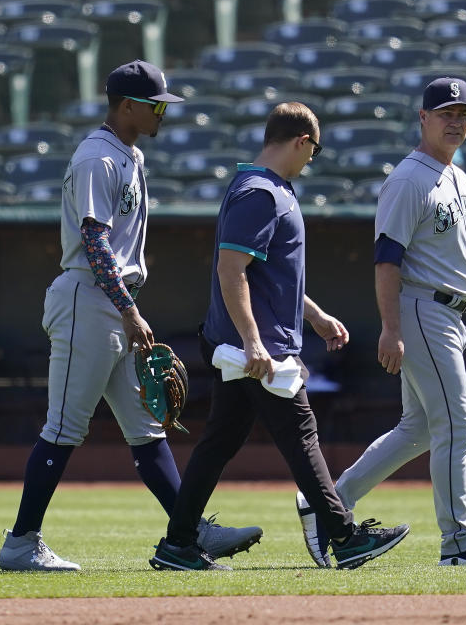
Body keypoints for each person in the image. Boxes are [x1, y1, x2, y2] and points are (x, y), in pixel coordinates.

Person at [0, 60, 262, 572]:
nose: (164, 110)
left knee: (146, 430)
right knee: (64, 427)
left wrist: (125, 308)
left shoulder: (129, 154)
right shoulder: (98, 157)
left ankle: (189, 530)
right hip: (90, 298)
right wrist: (128, 309)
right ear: (126, 106)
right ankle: (21, 541)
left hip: (112, 301)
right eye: (156, 103)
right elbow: (94, 240)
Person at [149, 102, 410, 571]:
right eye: (314, 150)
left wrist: (314, 316)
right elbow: (233, 272)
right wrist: (253, 342)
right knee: (301, 435)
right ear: (302, 141)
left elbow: (271, 276)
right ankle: (345, 537)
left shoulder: (267, 188)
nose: (312, 160)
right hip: (257, 349)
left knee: (221, 442)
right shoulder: (260, 193)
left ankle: (178, 544)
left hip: (254, 343)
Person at [296, 77, 466, 568]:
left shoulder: (458, 178)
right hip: (423, 309)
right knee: (456, 424)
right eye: (446, 112)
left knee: (419, 429)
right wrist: (391, 328)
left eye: (463, 113)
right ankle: (458, 543)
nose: (456, 121)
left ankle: (327, 503)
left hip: (450, 312)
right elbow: (387, 259)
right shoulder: (409, 178)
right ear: (423, 118)